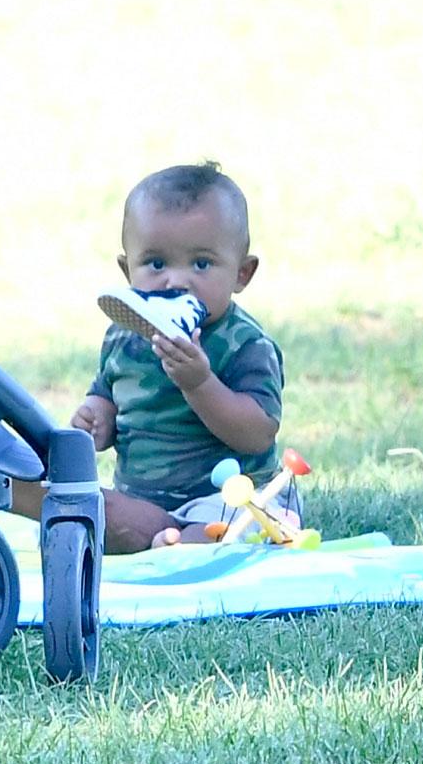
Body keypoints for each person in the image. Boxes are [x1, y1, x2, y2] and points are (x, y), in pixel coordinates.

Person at [71, 161, 286, 553]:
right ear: (127, 269)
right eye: (156, 263)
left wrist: (200, 384)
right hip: (145, 499)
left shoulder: (245, 344)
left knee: (225, 527)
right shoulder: (124, 336)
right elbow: (107, 393)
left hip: (229, 493)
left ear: (242, 274)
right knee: (76, 514)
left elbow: (257, 435)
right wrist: (96, 419)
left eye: (201, 264)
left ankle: (182, 544)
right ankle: (158, 540)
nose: (176, 280)